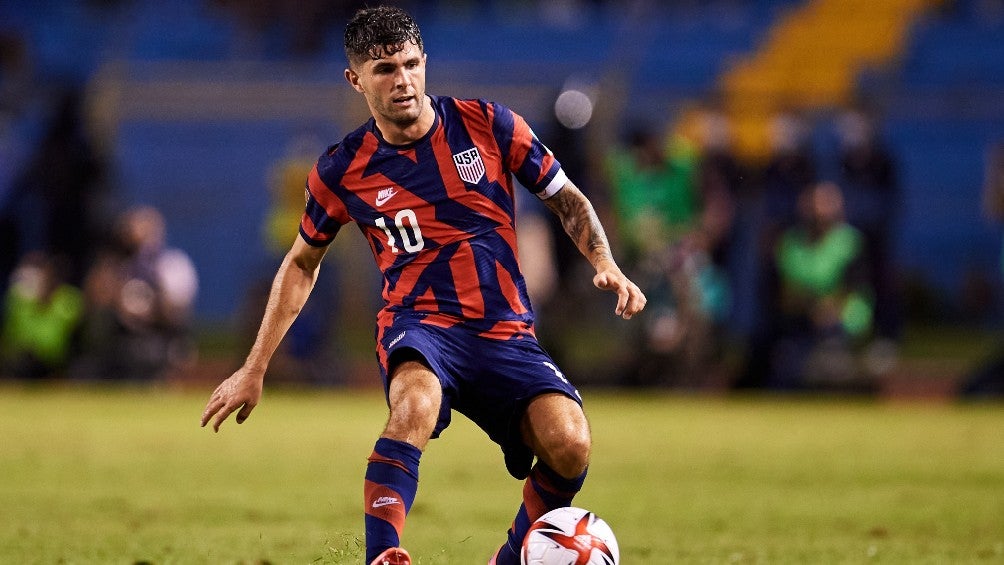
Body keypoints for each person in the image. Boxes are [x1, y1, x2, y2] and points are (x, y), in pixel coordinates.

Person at [199, 6, 647, 565]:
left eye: (411, 64)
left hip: (505, 331)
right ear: (355, 79)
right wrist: (254, 366)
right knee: (414, 404)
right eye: (384, 69)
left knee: (570, 444)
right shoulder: (342, 169)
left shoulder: (489, 124)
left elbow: (566, 198)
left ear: (426, 63)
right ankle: (383, 555)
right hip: (421, 325)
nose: (403, 80)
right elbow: (300, 263)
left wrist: (604, 261)